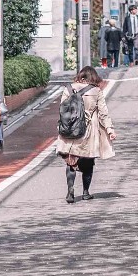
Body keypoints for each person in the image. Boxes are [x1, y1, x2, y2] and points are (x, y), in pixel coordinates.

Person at [57, 66, 114, 201]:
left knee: (71, 162)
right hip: (87, 132)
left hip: (69, 131)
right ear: (93, 77)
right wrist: (110, 130)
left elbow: (62, 110)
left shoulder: (68, 89)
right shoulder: (96, 91)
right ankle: (85, 192)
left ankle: (70, 192)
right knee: (88, 162)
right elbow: (103, 113)